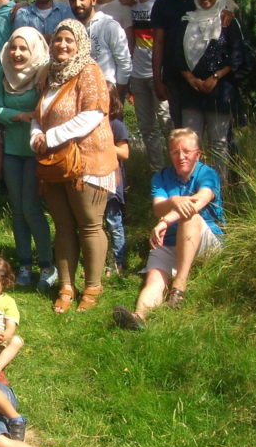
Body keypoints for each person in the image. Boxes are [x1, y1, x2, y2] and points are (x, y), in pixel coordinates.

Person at [31, 18, 117, 314]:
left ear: (80, 44)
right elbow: (38, 114)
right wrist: (36, 136)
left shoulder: (89, 71)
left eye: (69, 40)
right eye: (58, 40)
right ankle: (66, 286)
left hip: (87, 161)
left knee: (90, 224)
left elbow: (92, 114)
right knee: (64, 225)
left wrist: (51, 137)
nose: (63, 45)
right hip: (56, 163)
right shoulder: (49, 74)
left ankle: (92, 287)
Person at [112, 128, 224, 331]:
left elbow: (199, 202)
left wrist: (165, 221)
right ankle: (139, 317)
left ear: (197, 154)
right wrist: (173, 200)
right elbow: (158, 207)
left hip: (205, 240)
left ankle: (179, 286)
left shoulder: (208, 173)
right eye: (175, 152)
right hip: (171, 242)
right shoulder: (161, 177)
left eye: (186, 151)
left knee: (190, 218)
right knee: (154, 279)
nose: (181, 157)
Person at [163, 0, 244, 180]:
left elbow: (237, 56)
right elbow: (176, 55)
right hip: (191, 91)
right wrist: (191, 79)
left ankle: (219, 191)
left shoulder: (227, 22)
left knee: (218, 143)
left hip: (220, 91)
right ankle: (194, 189)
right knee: (191, 144)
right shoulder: (187, 21)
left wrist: (216, 77)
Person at [0, 27, 56, 289]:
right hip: (10, 151)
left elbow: (46, 109)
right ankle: (24, 264)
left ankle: (47, 265)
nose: (17, 53)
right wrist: (19, 116)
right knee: (17, 210)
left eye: (23, 48)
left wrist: (31, 115)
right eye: (13, 48)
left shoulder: (45, 74)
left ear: (34, 50)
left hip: (34, 151)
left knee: (31, 208)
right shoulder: (1, 73)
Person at [125, 0, 172, 172]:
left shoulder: (160, 4)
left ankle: (178, 169)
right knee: (146, 127)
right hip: (136, 74)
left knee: (167, 123)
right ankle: (158, 171)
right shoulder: (130, 6)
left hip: (158, 74)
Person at [151, 0, 198, 125]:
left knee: (216, 132)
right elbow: (158, 43)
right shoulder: (162, 4)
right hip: (174, 78)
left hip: (204, 75)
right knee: (182, 130)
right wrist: (157, 80)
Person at [67, 0, 131, 99]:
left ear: (93, 0)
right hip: (80, 96)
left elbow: (125, 63)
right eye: (73, 0)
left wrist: (118, 95)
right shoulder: (70, 29)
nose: (77, 4)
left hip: (108, 95)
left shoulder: (109, 26)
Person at [104, 89, 130, 278]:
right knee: (96, 224)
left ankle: (118, 262)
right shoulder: (86, 124)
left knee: (114, 222)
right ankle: (100, 262)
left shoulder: (116, 125)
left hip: (112, 182)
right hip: (91, 182)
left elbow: (124, 153)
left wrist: (102, 143)